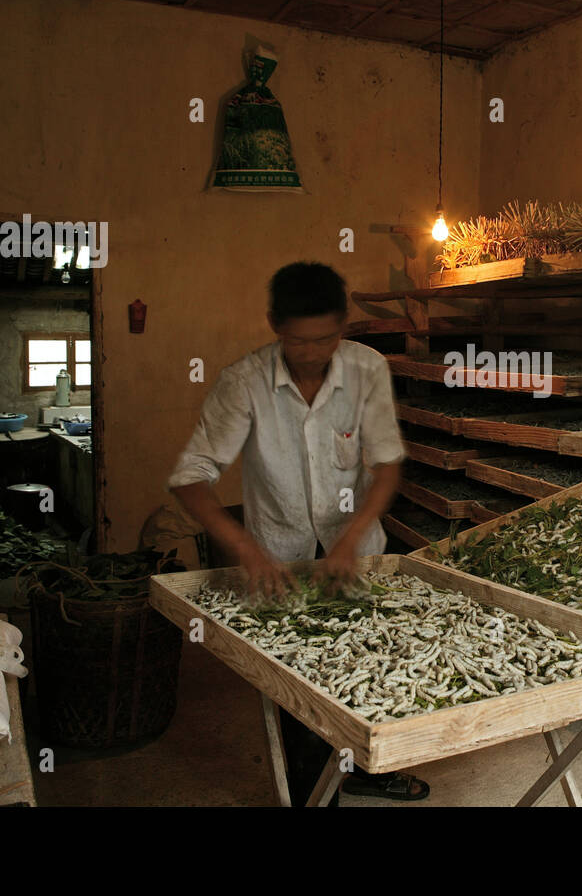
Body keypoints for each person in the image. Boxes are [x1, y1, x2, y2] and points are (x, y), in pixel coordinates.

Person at [167, 261, 428, 804]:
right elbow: (191, 478)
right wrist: (247, 550)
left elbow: (385, 467)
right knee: (297, 682)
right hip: (279, 556)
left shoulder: (367, 370)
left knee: (366, 662)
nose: (312, 352)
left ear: (343, 325)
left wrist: (350, 538)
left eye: (327, 338)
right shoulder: (244, 382)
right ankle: (315, 792)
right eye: (298, 341)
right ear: (273, 325)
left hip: (357, 551)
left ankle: (369, 771)